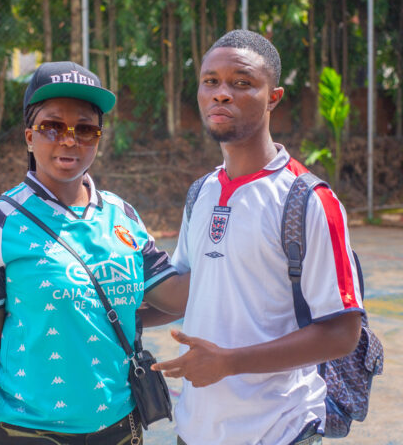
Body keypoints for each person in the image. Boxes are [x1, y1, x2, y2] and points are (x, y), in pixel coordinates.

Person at [0, 61, 187, 445]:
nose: (69, 140)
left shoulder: (122, 216)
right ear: (30, 137)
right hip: (25, 431)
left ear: (98, 138)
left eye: (85, 129)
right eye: (52, 127)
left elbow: (174, 296)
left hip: (119, 426)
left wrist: (236, 242)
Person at [149, 30, 364, 445]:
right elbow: (189, 289)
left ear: (273, 97)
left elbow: (343, 332)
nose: (221, 93)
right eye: (211, 81)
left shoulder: (307, 199)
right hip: (195, 429)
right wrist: (119, 311)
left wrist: (229, 363)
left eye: (241, 82)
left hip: (278, 430)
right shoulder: (201, 192)